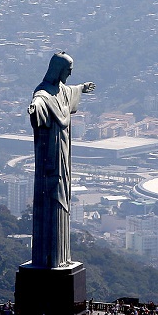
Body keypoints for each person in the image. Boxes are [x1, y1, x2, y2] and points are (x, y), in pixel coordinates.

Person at [28, 51, 95, 268]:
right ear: (58, 70)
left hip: (64, 154)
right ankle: (50, 258)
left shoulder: (62, 91)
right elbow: (38, 101)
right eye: (68, 70)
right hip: (51, 158)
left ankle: (61, 257)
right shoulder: (44, 94)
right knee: (51, 200)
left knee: (62, 197)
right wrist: (35, 109)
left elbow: (70, 92)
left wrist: (82, 88)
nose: (70, 73)